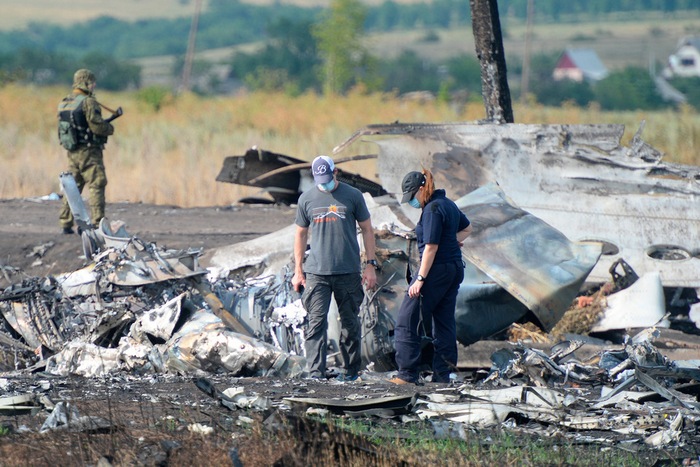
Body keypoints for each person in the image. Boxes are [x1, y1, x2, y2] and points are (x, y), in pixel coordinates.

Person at [292, 155, 379, 381]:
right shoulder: (307, 199)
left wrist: (370, 265)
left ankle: (351, 372)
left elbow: (367, 230)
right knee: (316, 323)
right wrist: (298, 271)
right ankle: (316, 374)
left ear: (335, 172)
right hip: (317, 273)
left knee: (350, 324)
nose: (324, 182)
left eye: (328, 177)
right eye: (320, 179)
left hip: (347, 271)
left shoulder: (353, 195)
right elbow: (300, 234)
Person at [390, 169, 473, 385]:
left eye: (412, 197)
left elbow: (431, 248)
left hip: (435, 270)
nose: (412, 203)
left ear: (421, 189)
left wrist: (419, 279)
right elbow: (468, 228)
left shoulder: (432, 210)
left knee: (408, 318)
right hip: (454, 269)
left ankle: (407, 374)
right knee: (444, 322)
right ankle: (443, 375)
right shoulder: (448, 204)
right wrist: (452, 241)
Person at [57, 68, 115, 234]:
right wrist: (109, 128)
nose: (94, 85)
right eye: (92, 82)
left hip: (73, 151)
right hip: (89, 152)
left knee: (72, 186)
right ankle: (98, 223)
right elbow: (96, 126)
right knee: (97, 183)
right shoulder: (88, 102)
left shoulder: (65, 102)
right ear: (86, 83)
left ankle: (65, 222)